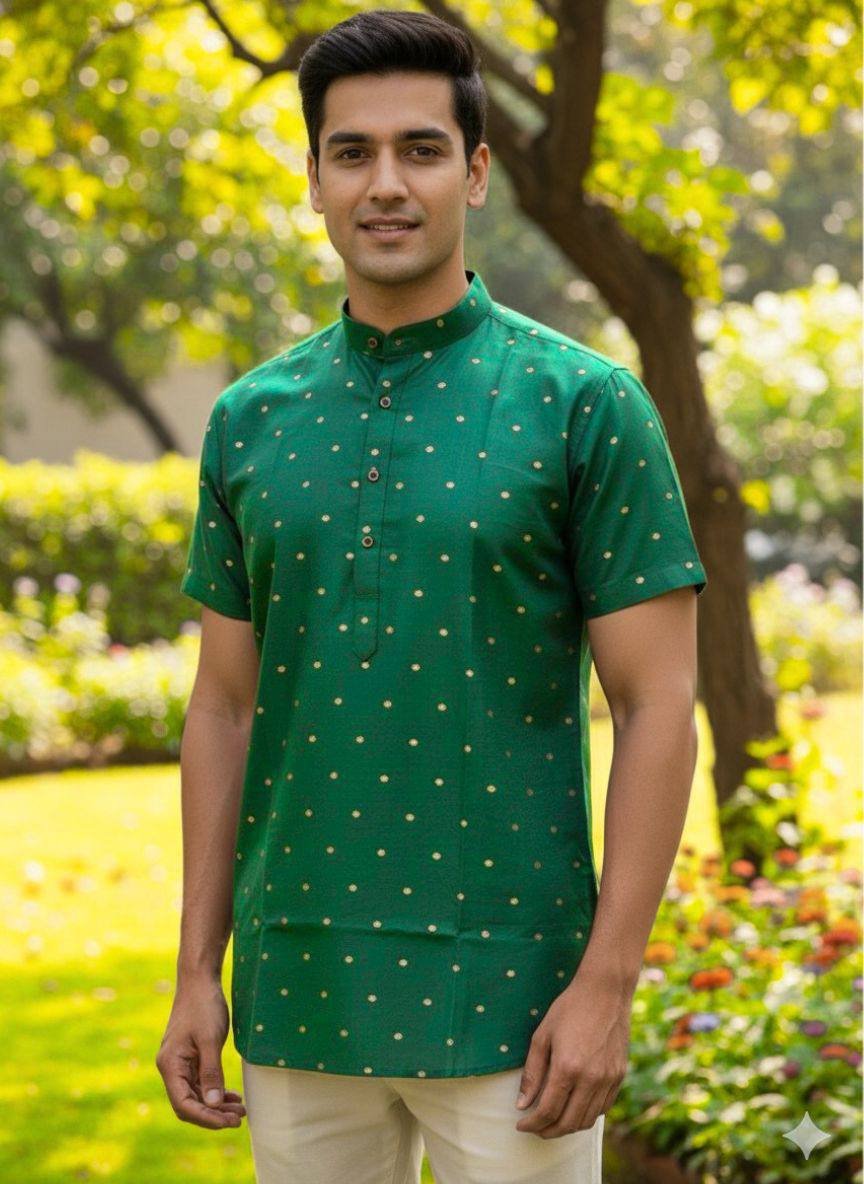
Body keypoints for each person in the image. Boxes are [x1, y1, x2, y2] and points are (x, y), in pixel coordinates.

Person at [156, 8, 708, 1182]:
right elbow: (223, 706)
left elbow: (657, 700)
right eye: (351, 153)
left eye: (420, 149)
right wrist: (198, 967)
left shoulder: (583, 403)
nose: (386, 184)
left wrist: (607, 983)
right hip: (300, 992)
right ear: (314, 180)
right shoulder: (249, 419)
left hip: (518, 999)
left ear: (476, 172)